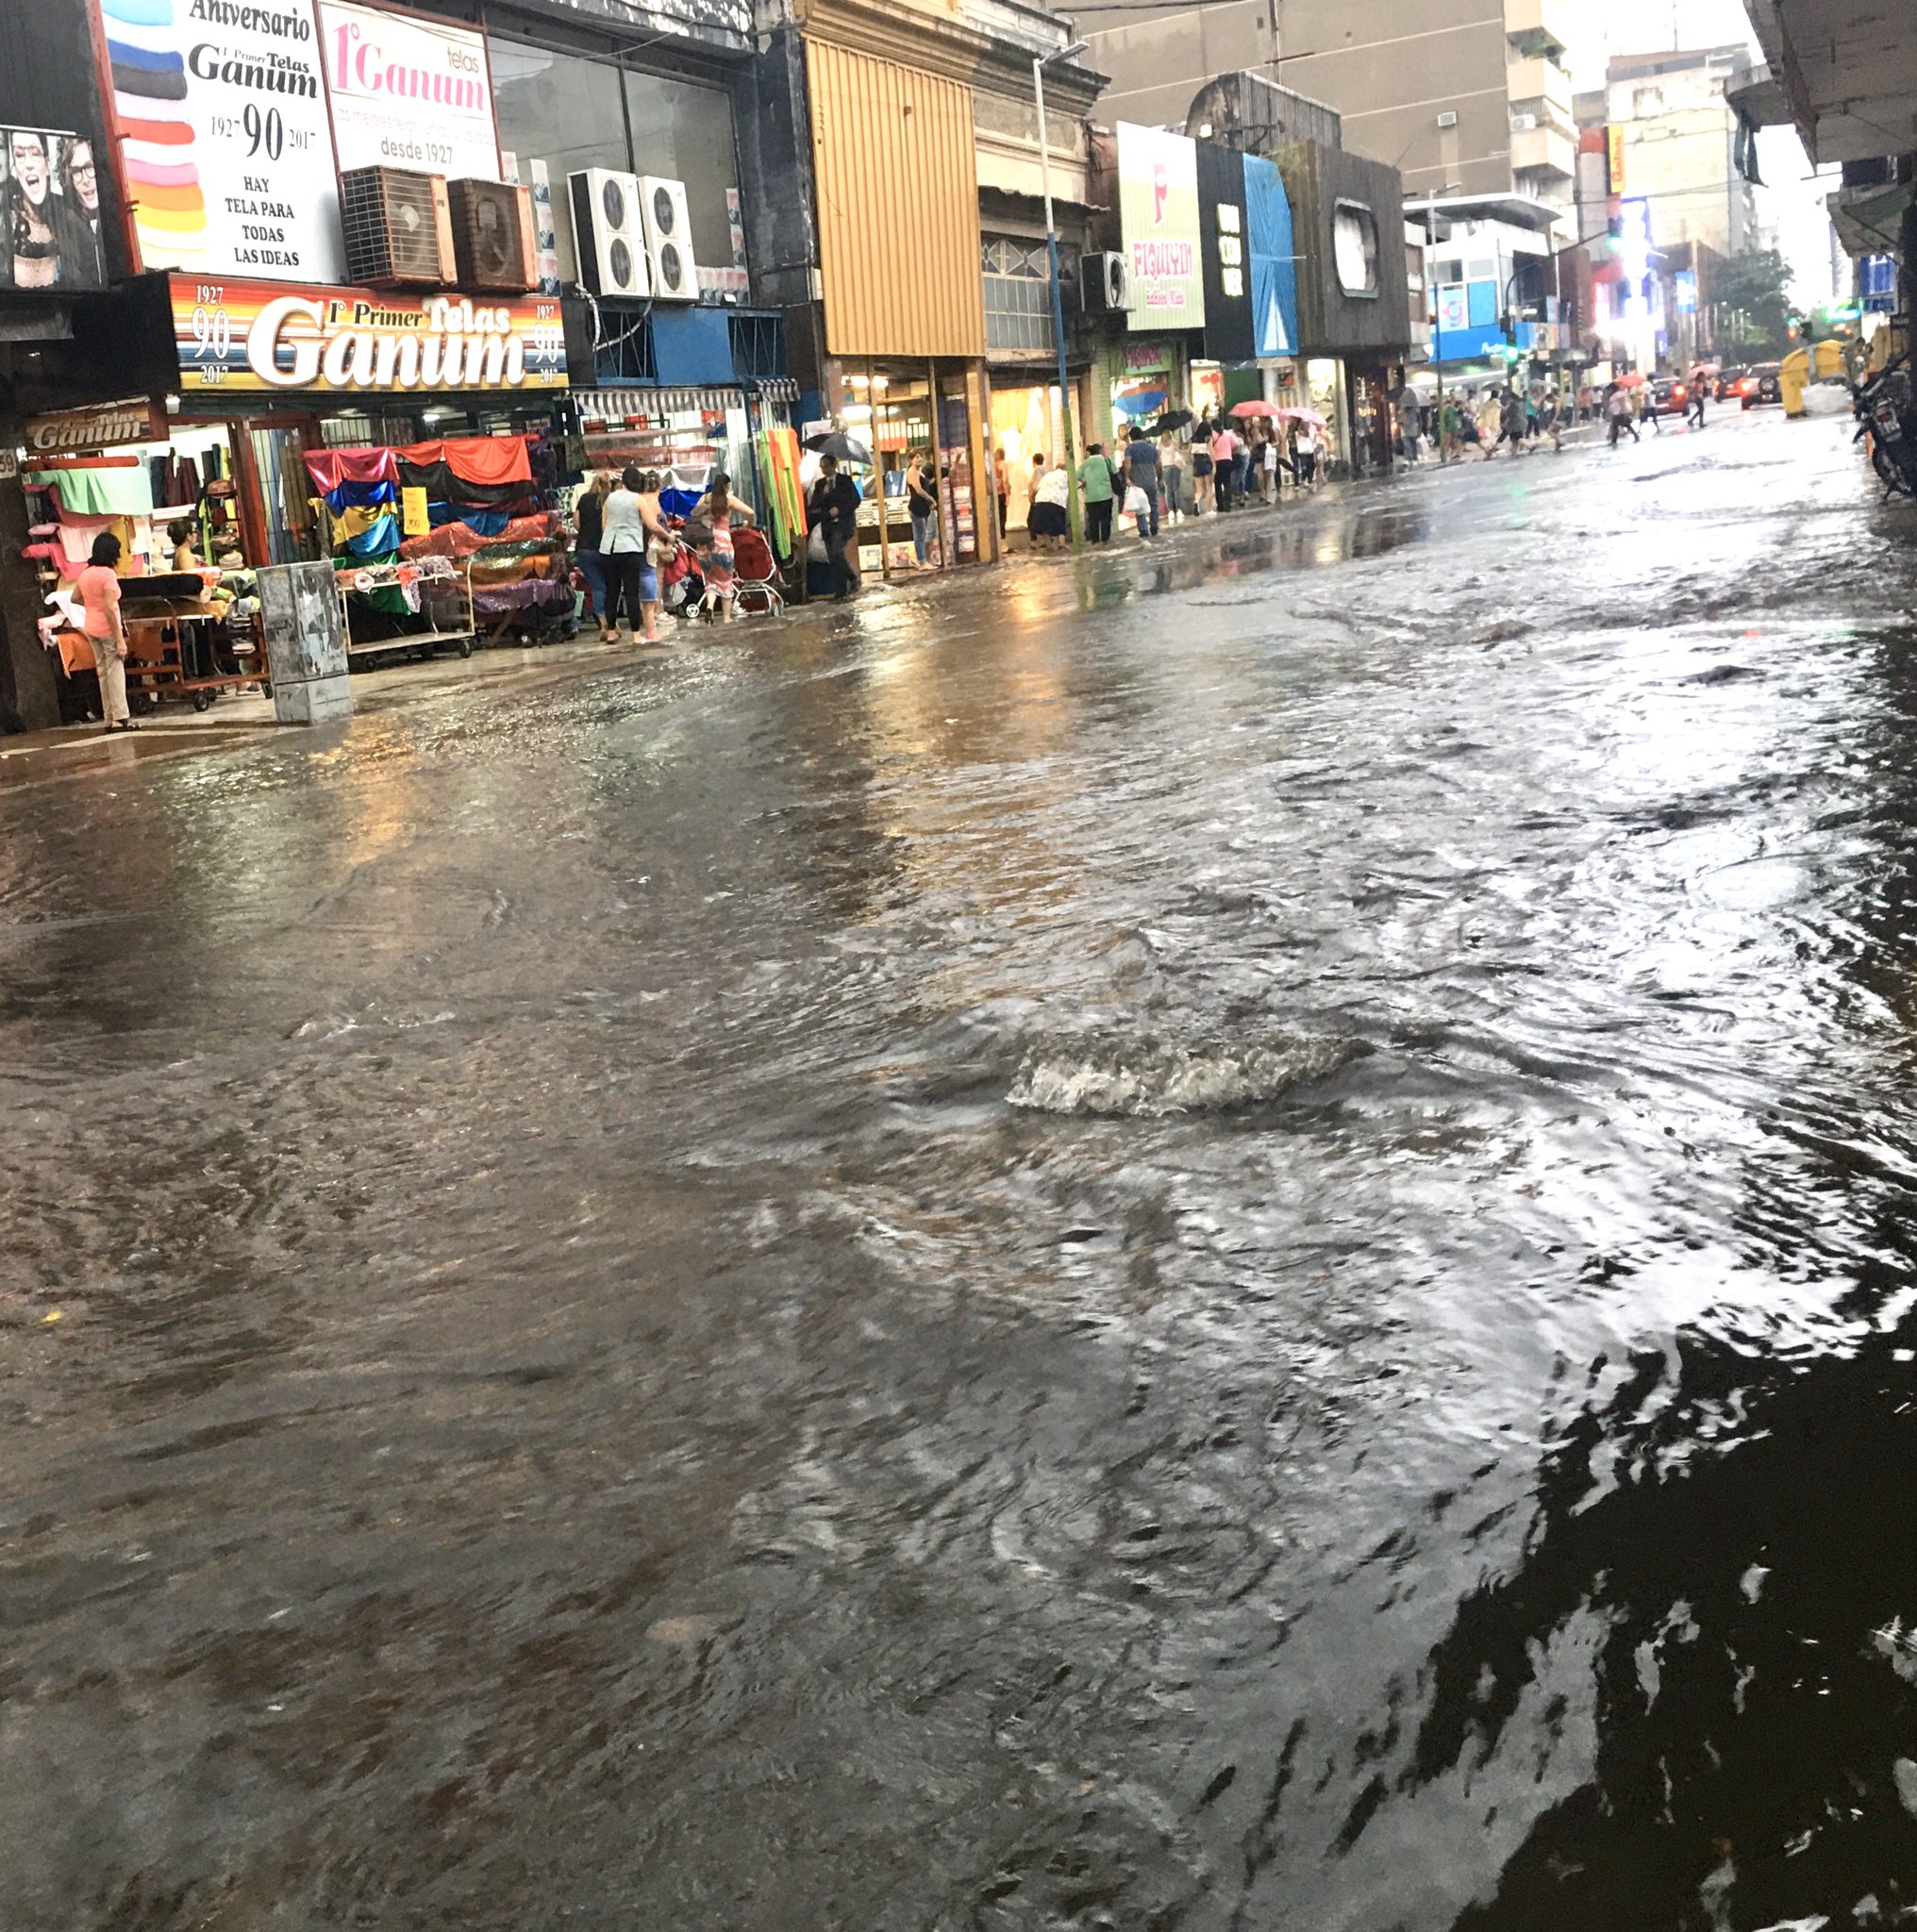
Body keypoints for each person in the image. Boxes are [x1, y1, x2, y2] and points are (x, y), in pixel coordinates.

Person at [77, 531, 133, 732]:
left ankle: (108, 718)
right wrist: (120, 639)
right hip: (107, 628)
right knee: (115, 672)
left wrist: (92, 605)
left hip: (90, 626)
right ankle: (120, 718)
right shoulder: (108, 574)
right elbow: (110, 608)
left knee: (103, 674)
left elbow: (75, 597)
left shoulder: (86, 573)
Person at [602, 464, 661, 643]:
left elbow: (604, 525)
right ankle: (636, 635)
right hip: (630, 550)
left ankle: (611, 633)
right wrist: (667, 536)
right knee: (631, 593)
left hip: (609, 549)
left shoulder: (610, 499)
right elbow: (651, 525)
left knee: (611, 593)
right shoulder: (638, 499)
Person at [690, 469, 754, 619]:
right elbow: (750, 512)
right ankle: (726, 618)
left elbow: (693, 514)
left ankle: (710, 607)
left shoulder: (705, 499)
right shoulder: (728, 499)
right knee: (725, 580)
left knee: (711, 579)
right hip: (722, 544)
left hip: (704, 546)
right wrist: (747, 524)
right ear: (726, 486)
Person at [808, 453, 862, 598]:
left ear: (833, 466)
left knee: (837, 552)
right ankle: (842, 589)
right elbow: (814, 506)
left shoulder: (845, 481)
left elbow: (855, 500)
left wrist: (839, 509)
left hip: (842, 524)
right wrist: (823, 496)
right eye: (822, 467)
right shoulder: (820, 485)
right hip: (827, 525)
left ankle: (850, 579)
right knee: (832, 557)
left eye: (826, 466)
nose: (824, 470)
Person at [574, 472, 613, 641]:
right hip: (604, 549)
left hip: (584, 549)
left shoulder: (583, 499)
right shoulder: (610, 501)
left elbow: (576, 523)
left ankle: (604, 622)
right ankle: (611, 623)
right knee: (611, 588)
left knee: (597, 587)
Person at [1077, 440, 1118, 543]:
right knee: (1106, 519)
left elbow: (1077, 476)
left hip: (1090, 497)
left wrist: (1084, 482)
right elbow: (1116, 472)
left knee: (1093, 520)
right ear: (1100, 450)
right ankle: (1105, 540)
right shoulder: (1107, 460)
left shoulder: (1085, 464)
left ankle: (1095, 540)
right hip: (1106, 495)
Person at [1123, 427, 1160, 538]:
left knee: (1139, 507)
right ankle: (1154, 526)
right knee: (1153, 503)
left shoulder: (1130, 449)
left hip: (1137, 483)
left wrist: (1127, 478)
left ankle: (1143, 529)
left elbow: (1128, 465)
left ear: (1131, 437)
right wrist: (1160, 477)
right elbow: (1158, 464)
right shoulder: (1152, 448)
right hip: (1150, 481)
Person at [905, 449, 940, 568]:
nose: (920, 459)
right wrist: (931, 499)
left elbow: (925, 485)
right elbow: (918, 489)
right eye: (917, 457)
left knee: (923, 534)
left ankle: (921, 558)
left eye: (921, 456)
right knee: (919, 536)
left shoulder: (920, 471)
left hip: (923, 506)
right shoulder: (912, 471)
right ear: (911, 460)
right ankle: (922, 561)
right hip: (917, 506)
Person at [1028, 458, 1070, 552]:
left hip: (1041, 501)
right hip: (1057, 501)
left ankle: (1049, 547)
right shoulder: (1066, 474)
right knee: (1060, 523)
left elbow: (1036, 489)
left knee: (1044, 526)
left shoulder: (1048, 475)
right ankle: (1061, 544)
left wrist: (1031, 497)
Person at [1210, 419, 1238, 511]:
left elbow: (1209, 448)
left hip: (1217, 461)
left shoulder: (1212, 435)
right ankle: (1228, 504)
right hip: (1227, 460)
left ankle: (1220, 505)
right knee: (1227, 482)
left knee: (1217, 484)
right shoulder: (1228, 434)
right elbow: (1235, 445)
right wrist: (1229, 451)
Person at [1191, 421, 1216, 515]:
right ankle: (1209, 509)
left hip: (1196, 462)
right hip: (1206, 461)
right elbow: (1211, 451)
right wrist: (1214, 465)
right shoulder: (1208, 438)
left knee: (1199, 489)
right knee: (1209, 487)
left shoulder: (1193, 439)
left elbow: (1191, 453)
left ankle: (1196, 502)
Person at [1159, 432, 1185, 523]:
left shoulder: (1159, 445)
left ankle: (1171, 510)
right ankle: (1178, 509)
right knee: (1176, 489)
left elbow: (1158, 458)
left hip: (1166, 467)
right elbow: (1179, 452)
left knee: (1168, 490)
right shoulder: (1173, 442)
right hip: (1174, 466)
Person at [1605, 383, 1640, 447]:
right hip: (1618, 413)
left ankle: (1614, 441)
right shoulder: (1617, 394)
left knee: (1617, 427)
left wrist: (1623, 411)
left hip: (1619, 413)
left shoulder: (1617, 395)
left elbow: (1622, 403)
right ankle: (1636, 436)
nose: (1609, 391)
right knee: (1623, 426)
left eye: (1610, 389)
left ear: (1612, 389)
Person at [1025, 454, 1047, 550]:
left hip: (1037, 499)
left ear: (1034, 461)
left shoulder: (1037, 470)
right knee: (1042, 519)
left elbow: (1037, 485)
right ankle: (1045, 541)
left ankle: (1034, 542)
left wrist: (1032, 495)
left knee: (1031, 520)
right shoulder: (1045, 470)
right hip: (1044, 498)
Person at [993, 446, 1009, 541]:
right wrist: (1007, 495)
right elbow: (1005, 479)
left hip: (995, 493)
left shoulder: (993, 464)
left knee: (997, 517)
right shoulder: (1003, 464)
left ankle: (998, 540)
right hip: (1001, 492)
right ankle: (1003, 542)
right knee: (1003, 517)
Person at [1440, 395, 1462, 461]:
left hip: (1453, 426)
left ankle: (1451, 455)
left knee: (1453, 442)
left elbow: (1457, 418)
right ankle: (1444, 455)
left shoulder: (1453, 409)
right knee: (1448, 442)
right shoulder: (1446, 409)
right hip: (1448, 427)